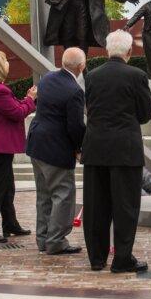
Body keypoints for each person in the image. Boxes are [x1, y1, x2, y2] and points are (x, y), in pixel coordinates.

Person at [81, 29, 151, 273]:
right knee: (126, 207)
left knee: (95, 206)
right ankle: (122, 258)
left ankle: (97, 258)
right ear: (130, 52)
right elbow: (145, 113)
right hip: (125, 149)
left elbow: (89, 108)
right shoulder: (137, 75)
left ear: (107, 50)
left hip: (96, 148)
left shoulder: (91, 76)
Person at [26, 47, 87, 255]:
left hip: (37, 145)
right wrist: (79, 149)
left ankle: (43, 239)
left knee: (43, 195)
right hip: (56, 150)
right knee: (63, 194)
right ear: (81, 66)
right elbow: (76, 127)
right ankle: (56, 241)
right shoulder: (75, 91)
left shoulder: (47, 79)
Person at [0, 50, 37, 244]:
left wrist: (25, 99)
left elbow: (11, 107)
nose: (8, 64)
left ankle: (10, 224)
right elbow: (18, 113)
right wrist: (31, 99)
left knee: (6, 186)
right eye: (5, 61)